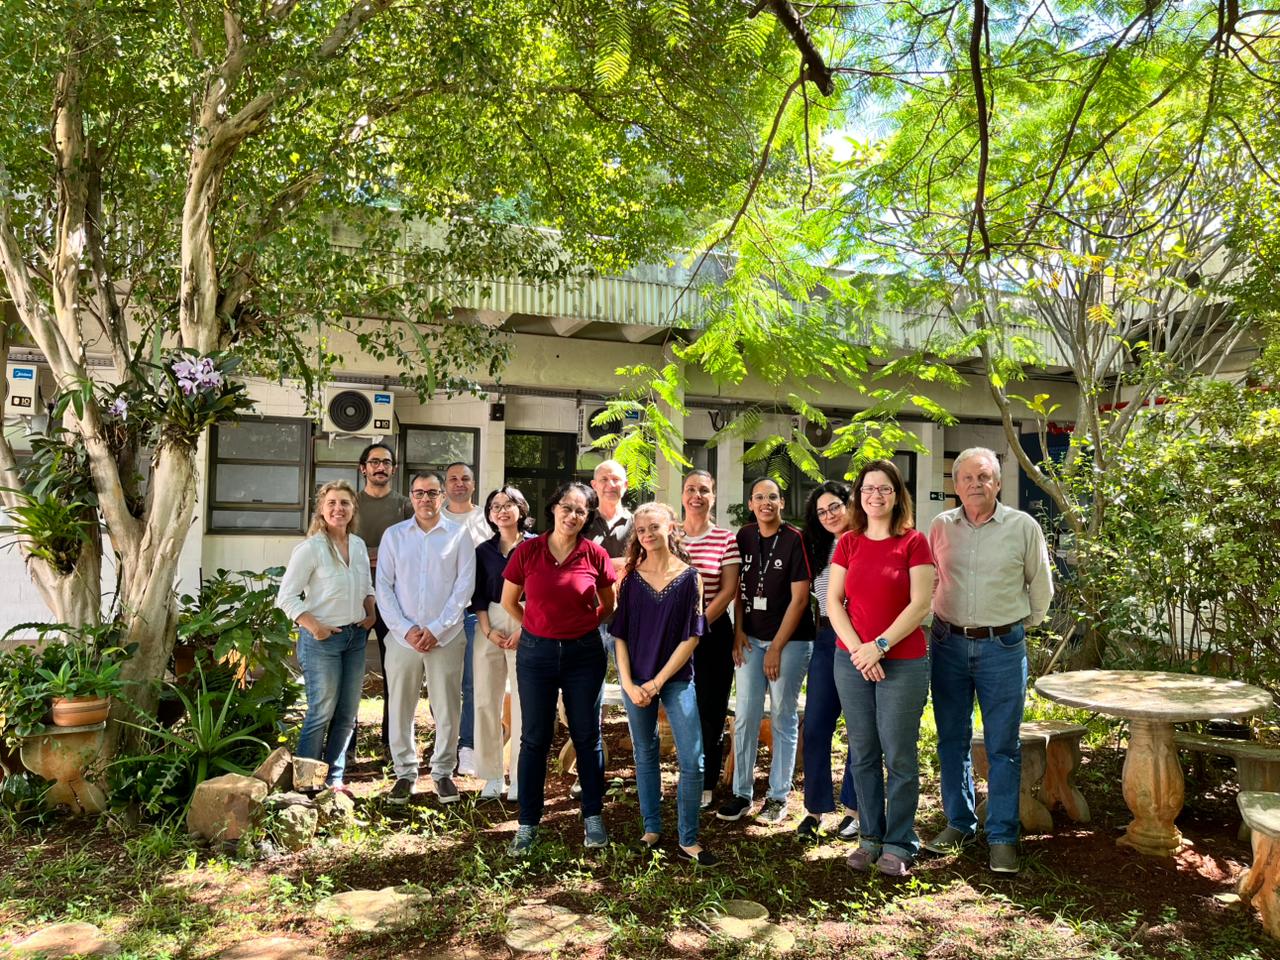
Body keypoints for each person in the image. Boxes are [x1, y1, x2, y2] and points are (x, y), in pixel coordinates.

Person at [924, 447, 1053, 875]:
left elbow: (1041, 587)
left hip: (1003, 648)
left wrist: (1013, 626)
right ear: (955, 485)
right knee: (951, 738)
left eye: (984, 477)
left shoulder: (1023, 526)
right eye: (967, 478)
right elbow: (929, 580)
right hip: (948, 645)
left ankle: (1001, 836)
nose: (976, 484)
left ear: (997, 482)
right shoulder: (940, 527)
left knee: (1002, 745)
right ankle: (959, 823)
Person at [827, 460, 935, 876]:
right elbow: (834, 602)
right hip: (852, 661)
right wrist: (861, 651)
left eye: (884, 488)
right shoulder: (848, 543)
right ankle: (869, 837)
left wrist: (880, 646)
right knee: (863, 752)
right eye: (868, 488)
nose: (876, 495)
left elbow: (920, 604)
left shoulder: (914, 542)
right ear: (859, 496)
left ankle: (900, 841)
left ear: (897, 495)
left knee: (899, 754)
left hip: (902, 663)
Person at [501, 481, 617, 855]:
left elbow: (608, 605)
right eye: (566, 507)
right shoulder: (528, 551)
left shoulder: (595, 554)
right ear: (553, 508)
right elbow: (509, 601)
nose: (572, 515)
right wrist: (537, 627)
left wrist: (580, 628)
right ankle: (527, 823)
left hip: (585, 655)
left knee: (587, 735)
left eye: (581, 511)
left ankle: (593, 816)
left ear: (588, 517)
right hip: (536, 655)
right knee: (534, 737)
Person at [612, 502, 717, 865]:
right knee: (645, 753)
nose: (647, 535)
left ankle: (688, 838)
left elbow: (692, 637)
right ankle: (651, 829)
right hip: (635, 680)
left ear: (671, 527)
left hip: (674, 679)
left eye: (654, 527)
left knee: (693, 760)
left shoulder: (690, 578)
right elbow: (620, 635)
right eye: (641, 530)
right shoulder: (629, 578)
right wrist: (628, 683)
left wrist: (657, 682)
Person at [377, 471, 477, 805]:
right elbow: (383, 587)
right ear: (411, 497)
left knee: (447, 706)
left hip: (446, 637)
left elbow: (464, 587)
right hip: (402, 638)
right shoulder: (394, 536)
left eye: (432, 493)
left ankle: (443, 772)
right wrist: (406, 629)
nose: (425, 499)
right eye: (419, 493)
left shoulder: (459, 535)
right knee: (400, 706)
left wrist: (436, 628)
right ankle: (404, 773)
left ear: (442, 497)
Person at [718, 476, 814, 825]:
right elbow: (738, 590)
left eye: (772, 497)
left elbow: (800, 599)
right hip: (750, 640)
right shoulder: (743, 536)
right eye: (759, 497)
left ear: (782, 502)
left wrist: (776, 647)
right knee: (745, 714)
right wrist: (738, 632)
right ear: (751, 504)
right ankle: (742, 793)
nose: (766, 503)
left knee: (782, 715)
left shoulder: (794, 539)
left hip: (790, 642)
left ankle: (777, 797)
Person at [276, 480, 376, 793]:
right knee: (321, 712)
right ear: (321, 509)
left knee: (347, 713)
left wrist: (370, 612)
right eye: (331, 503)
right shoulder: (311, 549)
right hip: (322, 642)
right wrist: (315, 626)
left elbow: (366, 586)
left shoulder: (358, 545)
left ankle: (334, 779)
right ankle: (306, 783)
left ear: (353, 509)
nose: (338, 509)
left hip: (355, 638)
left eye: (344, 503)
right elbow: (286, 597)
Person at [796, 481, 860, 843]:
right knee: (817, 726)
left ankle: (854, 809)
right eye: (821, 511)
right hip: (825, 639)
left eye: (834, 506)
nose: (829, 515)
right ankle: (815, 810)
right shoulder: (816, 547)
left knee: (860, 728)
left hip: (861, 640)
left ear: (850, 503)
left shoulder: (866, 539)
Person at [679, 469, 741, 810]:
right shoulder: (670, 536)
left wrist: (698, 625)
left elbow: (729, 589)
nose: (697, 496)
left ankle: (705, 783)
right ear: (683, 495)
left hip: (712, 634)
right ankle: (687, 773)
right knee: (680, 708)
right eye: (691, 489)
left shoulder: (725, 539)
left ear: (713, 497)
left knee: (710, 712)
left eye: (704, 490)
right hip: (673, 636)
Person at [348, 442, 412, 759]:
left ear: (393, 469)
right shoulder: (350, 504)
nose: (380, 467)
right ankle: (346, 746)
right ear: (363, 468)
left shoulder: (405, 507)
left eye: (386, 462)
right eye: (374, 462)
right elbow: (340, 547)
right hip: (353, 599)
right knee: (349, 675)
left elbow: (412, 551)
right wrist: (381, 555)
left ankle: (391, 743)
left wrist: (370, 554)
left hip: (394, 602)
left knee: (394, 674)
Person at [471, 485, 536, 801]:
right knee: (486, 699)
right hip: (491, 622)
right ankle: (492, 774)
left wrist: (525, 628)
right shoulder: (483, 551)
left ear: (521, 509)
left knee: (525, 701)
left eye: (508, 504)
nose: (501, 510)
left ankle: (521, 776)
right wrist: (487, 631)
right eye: (495, 506)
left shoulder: (537, 546)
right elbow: (478, 596)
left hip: (529, 619)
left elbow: (542, 591)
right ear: (489, 514)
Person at [444, 462, 491, 777]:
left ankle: (468, 746)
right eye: (453, 479)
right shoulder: (434, 518)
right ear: (445, 485)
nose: (459, 483)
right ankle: (445, 743)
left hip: (477, 611)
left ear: (474, 484)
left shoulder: (486, 519)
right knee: (443, 681)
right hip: (443, 614)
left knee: (473, 682)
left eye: (465, 478)